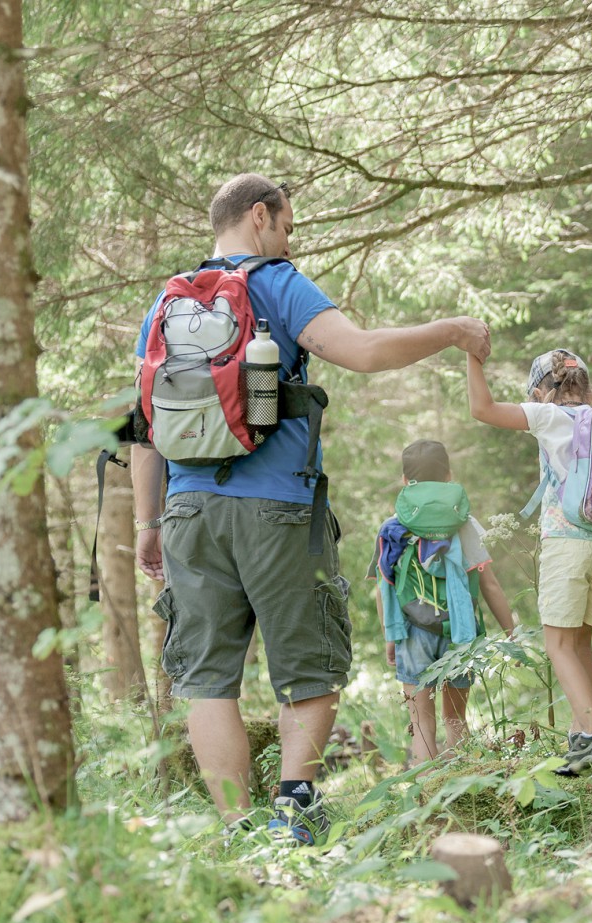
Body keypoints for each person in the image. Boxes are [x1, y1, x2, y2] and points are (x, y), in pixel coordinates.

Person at [132, 174, 491, 844]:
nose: (289, 238)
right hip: (278, 509)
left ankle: (239, 831)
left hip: (187, 511)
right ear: (260, 217)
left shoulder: (167, 303)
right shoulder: (277, 282)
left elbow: (143, 426)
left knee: (209, 679)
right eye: (288, 225)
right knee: (308, 667)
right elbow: (362, 352)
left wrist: (148, 525)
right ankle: (294, 810)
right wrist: (447, 330)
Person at [464, 348, 592, 777]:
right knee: (580, 645)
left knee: (557, 645)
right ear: (587, 387)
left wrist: (472, 356)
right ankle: (580, 737)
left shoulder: (547, 415)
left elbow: (481, 408)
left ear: (539, 391)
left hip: (568, 541)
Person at [373, 440, 518, 764]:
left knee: (421, 723)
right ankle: (463, 795)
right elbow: (489, 584)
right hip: (460, 632)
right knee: (455, 719)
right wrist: (511, 633)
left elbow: (384, 588)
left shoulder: (392, 527)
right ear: (449, 476)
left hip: (412, 632)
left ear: (404, 480)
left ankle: (428, 800)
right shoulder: (464, 523)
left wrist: (390, 638)